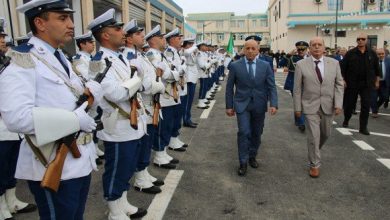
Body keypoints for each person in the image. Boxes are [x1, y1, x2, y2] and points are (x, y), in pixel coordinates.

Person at [0, 0, 104, 219]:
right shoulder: (24, 60)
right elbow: (17, 118)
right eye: (62, 18)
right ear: (40, 23)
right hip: (50, 163)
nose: (71, 24)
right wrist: (74, 120)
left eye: (70, 17)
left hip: (79, 159)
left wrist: (91, 100)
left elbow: (71, 101)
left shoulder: (60, 58)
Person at [88, 9, 147, 219]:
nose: (123, 32)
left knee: (128, 167)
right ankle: (113, 209)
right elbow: (116, 93)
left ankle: (122, 202)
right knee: (116, 170)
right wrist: (136, 82)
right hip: (117, 125)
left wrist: (134, 84)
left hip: (132, 122)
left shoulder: (120, 57)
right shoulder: (98, 60)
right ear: (105, 35)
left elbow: (134, 86)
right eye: (118, 28)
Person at [0, 16, 37, 220]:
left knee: (11, 165)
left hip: (12, 128)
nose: (2, 39)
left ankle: (12, 200)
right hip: (0, 127)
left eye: (3, 36)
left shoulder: (9, 59)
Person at [122, 19, 165, 194]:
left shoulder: (140, 55)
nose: (142, 36)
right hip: (142, 105)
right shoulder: (130, 57)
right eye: (138, 34)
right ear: (129, 39)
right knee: (143, 143)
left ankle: (144, 173)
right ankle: (140, 178)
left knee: (147, 143)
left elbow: (152, 76)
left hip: (149, 105)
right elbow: (141, 84)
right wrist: (158, 86)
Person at [225, 39, 278, 176]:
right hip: (242, 104)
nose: (250, 51)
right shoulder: (235, 66)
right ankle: (243, 162)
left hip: (259, 104)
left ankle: (252, 155)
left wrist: (273, 103)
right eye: (247, 48)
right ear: (243, 50)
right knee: (244, 132)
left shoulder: (265, 65)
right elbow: (229, 87)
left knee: (257, 132)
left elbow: (271, 86)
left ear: (258, 50)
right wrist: (229, 106)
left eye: (253, 48)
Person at [293, 37, 344, 178]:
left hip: (329, 104)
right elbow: (297, 89)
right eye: (313, 45)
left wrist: (338, 104)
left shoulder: (334, 63)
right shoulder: (301, 64)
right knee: (314, 136)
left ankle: (314, 149)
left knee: (326, 134)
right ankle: (314, 164)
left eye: (319, 45)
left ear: (324, 47)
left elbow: (339, 84)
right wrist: (297, 108)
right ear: (309, 48)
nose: (316, 47)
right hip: (309, 105)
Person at [145, 25, 180, 169]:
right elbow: (164, 74)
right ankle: (159, 154)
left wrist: (173, 73)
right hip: (162, 97)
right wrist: (174, 74)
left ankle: (163, 151)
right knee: (162, 128)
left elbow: (173, 71)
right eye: (160, 37)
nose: (163, 40)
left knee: (168, 126)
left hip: (169, 95)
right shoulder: (152, 55)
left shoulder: (161, 54)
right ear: (153, 40)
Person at [72, 31, 106, 166]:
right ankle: (92, 149)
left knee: (95, 121)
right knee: (89, 124)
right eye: (90, 42)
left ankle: (95, 147)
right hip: (87, 94)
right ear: (82, 44)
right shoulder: (78, 58)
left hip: (96, 94)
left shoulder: (92, 57)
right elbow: (86, 76)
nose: (93, 44)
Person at [341, 33, 380, 135]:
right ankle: (346, 119)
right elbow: (342, 68)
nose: (360, 40)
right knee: (349, 104)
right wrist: (343, 80)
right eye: (358, 39)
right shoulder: (350, 53)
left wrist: (377, 81)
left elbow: (377, 69)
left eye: (363, 39)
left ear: (366, 40)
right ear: (356, 40)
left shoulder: (372, 53)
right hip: (352, 83)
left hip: (367, 84)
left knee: (366, 106)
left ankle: (363, 127)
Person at [164, 28, 188, 151]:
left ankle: (174, 137)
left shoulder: (176, 52)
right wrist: (183, 67)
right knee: (173, 117)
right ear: (172, 40)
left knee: (178, 115)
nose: (181, 40)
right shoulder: (169, 52)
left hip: (179, 89)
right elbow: (175, 71)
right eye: (179, 38)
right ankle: (172, 140)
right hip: (173, 89)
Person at [281, 41, 309, 132]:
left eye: (302, 49)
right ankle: (301, 122)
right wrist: (288, 55)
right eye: (299, 49)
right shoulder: (292, 57)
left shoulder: (311, 58)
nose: (300, 51)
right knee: (298, 102)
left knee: (306, 103)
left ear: (307, 49)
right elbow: (281, 63)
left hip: (309, 85)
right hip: (294, 84)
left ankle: (300, 120)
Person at [182, 37, 199, 128]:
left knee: (190, 100)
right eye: (190, 44)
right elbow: (187, 52)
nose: (192, 46)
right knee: (187, 101)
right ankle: (186, 120)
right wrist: (195, 46)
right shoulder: (184, 51)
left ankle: (188, 118)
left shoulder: (191, 52)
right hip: (188, 78)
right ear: (187, 45)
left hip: (193, 77)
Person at [370, 48, 390, 117]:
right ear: (376, 54)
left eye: (382, 54)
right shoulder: (371, 62)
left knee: (385, 97)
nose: (381, 55)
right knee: (373, 97)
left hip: (385, 83)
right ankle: (374, 111)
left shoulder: (388, 61)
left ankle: (376, 106)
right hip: (374, 82)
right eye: (379, 54)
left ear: (385, 54)